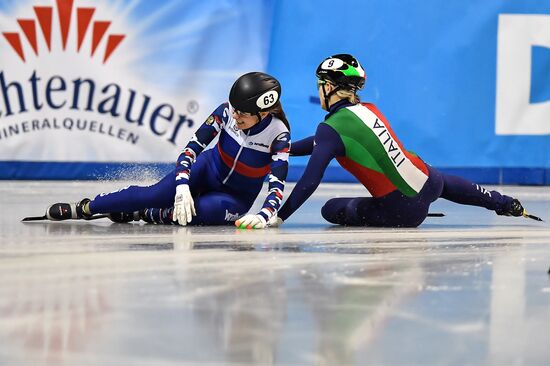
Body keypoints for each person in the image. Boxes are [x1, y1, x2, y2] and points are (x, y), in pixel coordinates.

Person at [275, 53, 530, 227]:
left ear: (328, 87)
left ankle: (496, 202)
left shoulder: (329, 129)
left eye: (319, 84)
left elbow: (310, 180)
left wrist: (278, 217)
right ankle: (504, 203)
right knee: (438, 180)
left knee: (330, 209)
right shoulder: (369, 110)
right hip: (432, 181)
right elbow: (323, 143)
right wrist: (282, 148)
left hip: (401, 209)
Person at [43, 72, 291, 228]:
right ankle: (86, 207)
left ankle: (145, 214)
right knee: (154, 194)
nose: (235, 117)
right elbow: (191, 149)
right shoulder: (226, 111)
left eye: (242, 114)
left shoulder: (278, 133)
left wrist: (264, 214)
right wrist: (182, 184)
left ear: (264, 113)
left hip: (236, 196)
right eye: (234, 110)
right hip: (208, 169)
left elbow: (277, 184)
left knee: (197, 214)